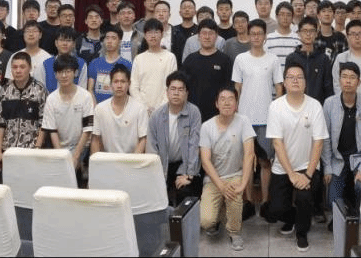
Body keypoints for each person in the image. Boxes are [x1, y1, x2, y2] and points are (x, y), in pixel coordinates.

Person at [267, 62, 329, 252]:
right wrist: (291, 174)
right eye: (291, 77)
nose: (295, 80)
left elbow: (318, 142)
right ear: (284, 83)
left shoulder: (315, 105)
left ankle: (302, 233)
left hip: (307, 166)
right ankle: (292, 218)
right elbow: (277, 143)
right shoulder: (276, 106)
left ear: (305, 82)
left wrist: (308, 175)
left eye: (299, 77)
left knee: (304, 197)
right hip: (283, 167)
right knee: (274, 210)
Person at [231, 19, 283, 220]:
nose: (256, 37)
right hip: (244, 118)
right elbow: (237, 88)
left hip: (267, 119)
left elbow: (279, 88)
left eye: (259, 34)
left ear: (265, 36)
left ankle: (266, 201)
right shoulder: (240, 59)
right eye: (252, 34)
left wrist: (277, 112)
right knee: (246, 162)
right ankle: (249, 202)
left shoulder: (273, 59)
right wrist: (235, 112)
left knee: (265, 161)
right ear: (248, 36)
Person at [199, 86, 255, 251]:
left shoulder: (243, 121)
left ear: (236, 104)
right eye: (222, 99)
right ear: (216, 104)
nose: (227, 103)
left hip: (235, 175)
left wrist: (243, 184)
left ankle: (234, 232)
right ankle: (219, 215)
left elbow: (249, 154)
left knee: (235, 195)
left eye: (231, 99)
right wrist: (221, 186)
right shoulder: (207, 126)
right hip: (214, 178)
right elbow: (205, 161)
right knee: (206, 222)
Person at [322, 61, 361, 211]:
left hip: (360, 159)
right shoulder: (329, 104)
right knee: (332, 203)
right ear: (339, 80)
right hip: (337, 160)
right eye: (344, 76)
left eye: (352, 77)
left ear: (359, 82)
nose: (348, 81)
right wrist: (327, 168)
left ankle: (359, 217)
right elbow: (325, 138)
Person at [148, 72, 203, 205]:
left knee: (186, 192)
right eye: (173, 89)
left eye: (180, 89)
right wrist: (156, 175)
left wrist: (189, 175)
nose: (176, 93)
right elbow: (151, 149)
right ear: (167, 92)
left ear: (187, 93)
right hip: (161, 164)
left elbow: (194, 147)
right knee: (155, 197)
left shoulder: (193, 112)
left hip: (183, 164)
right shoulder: (156, 116)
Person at [41, 54, 94, 185]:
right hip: (59, 147)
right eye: (60, 72)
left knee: (75, 175)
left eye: (68, 71)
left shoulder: (85, 96)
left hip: (81, 146)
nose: (64, 75)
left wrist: (76, 156)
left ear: (75, 73)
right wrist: (62, 156)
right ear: (55, 75)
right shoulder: (51, 99)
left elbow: (87, 130)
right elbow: (52, 130)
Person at [0, 52, 48, 174]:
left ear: (30, 68)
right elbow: (0, 124)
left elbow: (44, 123)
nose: (18, 71)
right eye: (15, 67)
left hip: (31, 151)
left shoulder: (40, 90)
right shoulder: (5, 91)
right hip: (8, 151)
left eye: (22, 67)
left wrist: (37, 148)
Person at [181, 19, 233, 121]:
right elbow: (184, 87)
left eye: (211, 33)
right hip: (193, 114)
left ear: (216, 36)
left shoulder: (225, 60)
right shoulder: (190, 60)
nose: (207, 37)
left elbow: (229, 87)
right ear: (198, 36)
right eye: (204, 33)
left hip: (218, 115)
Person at [90, 63, 148, 154]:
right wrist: (96, 161)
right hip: (107, 160)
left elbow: (143, 139)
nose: (119, 85)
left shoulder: (140, 108)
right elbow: (95, 139)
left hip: (132, 159)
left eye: (123, 82)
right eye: (116, 82)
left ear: (129, 84)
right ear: (110, 84)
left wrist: (133, 161)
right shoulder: (100, 108)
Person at [131, 18, 179, 115]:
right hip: (142, 110)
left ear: (162, 34)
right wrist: (143, 107)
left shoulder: (170, 57)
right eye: (149, 33)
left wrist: (160, 108)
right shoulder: (139, 59)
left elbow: (172, 85)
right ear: (145, 36)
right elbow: (133, 86)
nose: (153, 36)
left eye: (156, 32)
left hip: (164, 110)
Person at [285, 17, 334, 104]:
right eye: (305, 31)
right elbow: (287, 85)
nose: (308, 34)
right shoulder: (291, 58)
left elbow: (328, 87)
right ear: (299, 33)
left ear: (316, 33)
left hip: (318, 106)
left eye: (311, 31)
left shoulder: (323, 59)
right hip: (296, 105)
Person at [87, 26, 134, 104]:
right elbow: (90, 89)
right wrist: (95, 107)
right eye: (107, 38)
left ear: (120, 42)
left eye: (113, 38)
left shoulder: (127, 64)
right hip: (98, 107)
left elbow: (129, 90)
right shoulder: (95, 63)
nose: (109, 41)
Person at [5, 20, 53, 85]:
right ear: (23, 35)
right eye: (28, 31)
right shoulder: (15, 56)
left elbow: (51, 84)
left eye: (34, 31)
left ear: (40, 35)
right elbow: (10, 82)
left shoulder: (47, 58)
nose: (31, 34)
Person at [42, 27, 88, 93]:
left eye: (68, 40)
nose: (65, 44)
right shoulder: (46, 64)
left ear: (74, 44)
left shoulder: (81, 64)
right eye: (61, 40)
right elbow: (42, 90)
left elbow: (82, 89)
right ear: (56, 43)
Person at [265, 2, 301, 73]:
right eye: (282, 14)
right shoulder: (268, 39)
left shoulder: (299, 40)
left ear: (292, 18)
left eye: (288, 15)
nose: (285, 18)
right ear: (276, 17)